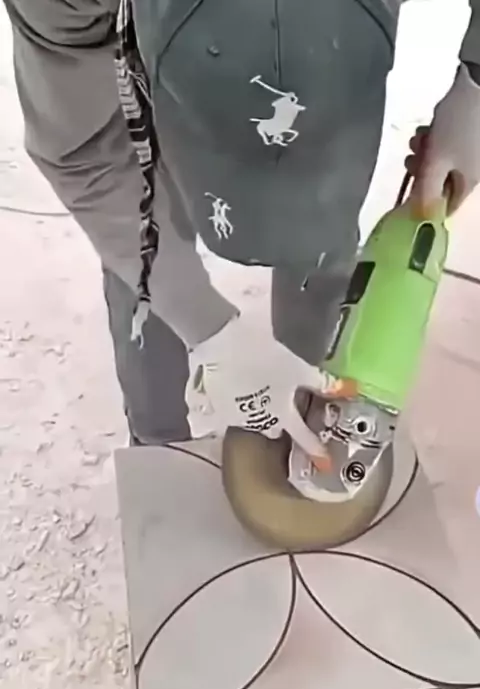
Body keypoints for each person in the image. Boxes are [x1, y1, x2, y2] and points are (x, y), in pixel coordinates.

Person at [4, 0, 480, 464]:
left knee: (317, 244)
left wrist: (476, 87)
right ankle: (160, 448)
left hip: (338, 120)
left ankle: (304, 404)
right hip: (169, 105)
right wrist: (207, 328)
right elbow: (88, 156)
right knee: (145, 230)